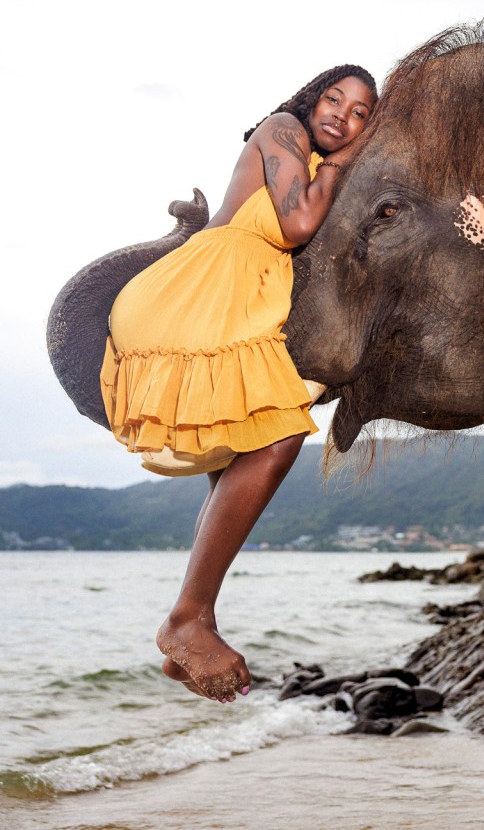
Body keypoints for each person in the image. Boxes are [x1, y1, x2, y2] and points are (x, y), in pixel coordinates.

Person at [99, 65, 377, 702]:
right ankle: (186, 619)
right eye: (334, 99)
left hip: (236, 300)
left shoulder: (316, 162)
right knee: (278, 437)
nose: (342, 116)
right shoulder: (283, 131)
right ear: (311, 100)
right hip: (197, 293)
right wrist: (343, 160)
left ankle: (191, 627)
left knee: (244, 454)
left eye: (361, 113)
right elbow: (297, 225)